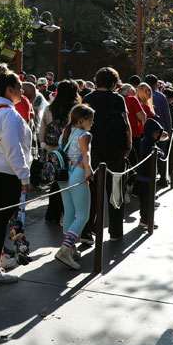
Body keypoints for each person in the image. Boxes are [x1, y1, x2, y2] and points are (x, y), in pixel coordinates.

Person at [0, 71, 32, 283]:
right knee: (1, 222)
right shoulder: (8, 113)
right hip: (6, 173)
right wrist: (24, 176)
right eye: (19, 88)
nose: (22, 92)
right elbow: (13, 148)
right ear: (9, 90)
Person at [83, 68, 132, 241]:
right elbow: (126, 123)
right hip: (115, 151)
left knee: (92, 193)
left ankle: (87, 231)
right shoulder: (118, 98)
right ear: (113, 82)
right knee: (116, 191)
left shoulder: (88, 98)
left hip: (92, 149)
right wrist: (128, 145)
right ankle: (116, 231)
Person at [54, 104, 96, 270]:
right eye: (90, 120)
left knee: (69, 212)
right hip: (78, 172)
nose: (92, 123)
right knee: (83, 215)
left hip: (64, 174)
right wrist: (89, 170)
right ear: (82, 120)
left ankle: (70, 248)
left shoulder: (66, 131)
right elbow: (86, 154)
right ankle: (66, 248)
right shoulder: (85, 135)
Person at [41, 80, 80, 224]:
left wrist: (43, 144)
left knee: (56, 182)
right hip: (71, 149)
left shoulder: (50, 108)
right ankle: (66, 215)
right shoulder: (76, 109)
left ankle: (52, 214)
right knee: (69, 183)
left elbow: (43, 128)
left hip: (52, 149)